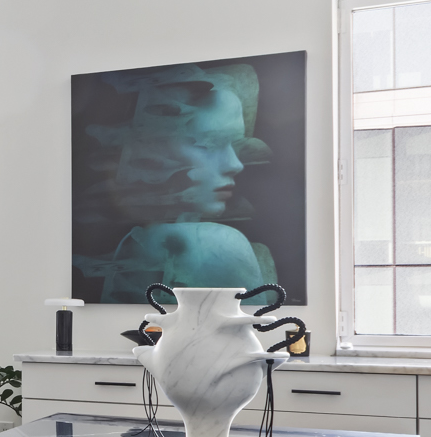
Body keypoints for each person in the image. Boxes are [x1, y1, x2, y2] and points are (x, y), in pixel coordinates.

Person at [74, 62, 278, 301]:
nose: (235, 164)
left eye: (233, 145)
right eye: (208, 144)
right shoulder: (218, 245)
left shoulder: (136, 243)